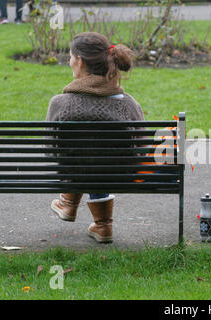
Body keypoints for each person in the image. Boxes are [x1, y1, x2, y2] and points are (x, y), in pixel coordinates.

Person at [46, 32, 145, 243]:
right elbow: (140, 148)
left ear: (80, 61)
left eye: (71, 56)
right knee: (96, 157)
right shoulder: (128, 105)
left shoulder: (60, 104)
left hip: (74, 171)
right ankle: (103, 225)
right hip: (119, 176)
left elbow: (50, 151)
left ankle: (69, 202)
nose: (69, 61)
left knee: (83, 156)